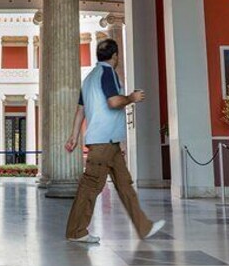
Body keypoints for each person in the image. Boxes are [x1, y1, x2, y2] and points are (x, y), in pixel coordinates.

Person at [64, 38, 165, 243]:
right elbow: (113, 102)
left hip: (109, 142)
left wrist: (74, 136)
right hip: (104, 141)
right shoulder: (107, 73)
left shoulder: (89, 78)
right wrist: (131, 98)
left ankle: (143, 227)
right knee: (91, 186)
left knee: (124, 184)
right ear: (116, 56)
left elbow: (80, 110)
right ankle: (76, 231)